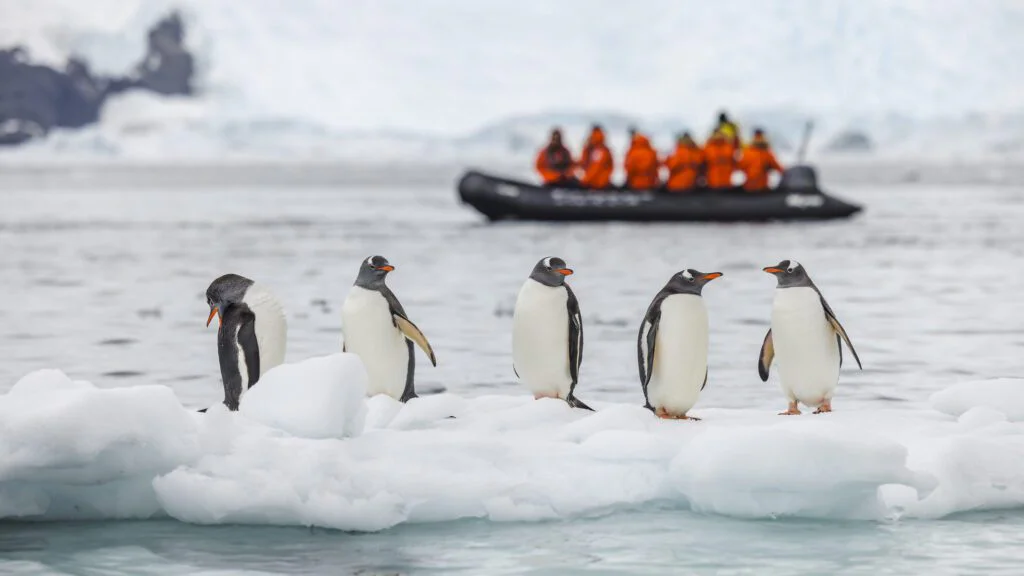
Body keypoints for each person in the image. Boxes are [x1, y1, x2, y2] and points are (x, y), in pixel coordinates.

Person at [578, 124, 614, 189]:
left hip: (597, 183)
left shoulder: (599, 150)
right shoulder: (600, 149)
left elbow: (595, 169)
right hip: (600, 182)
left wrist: (585, 180)